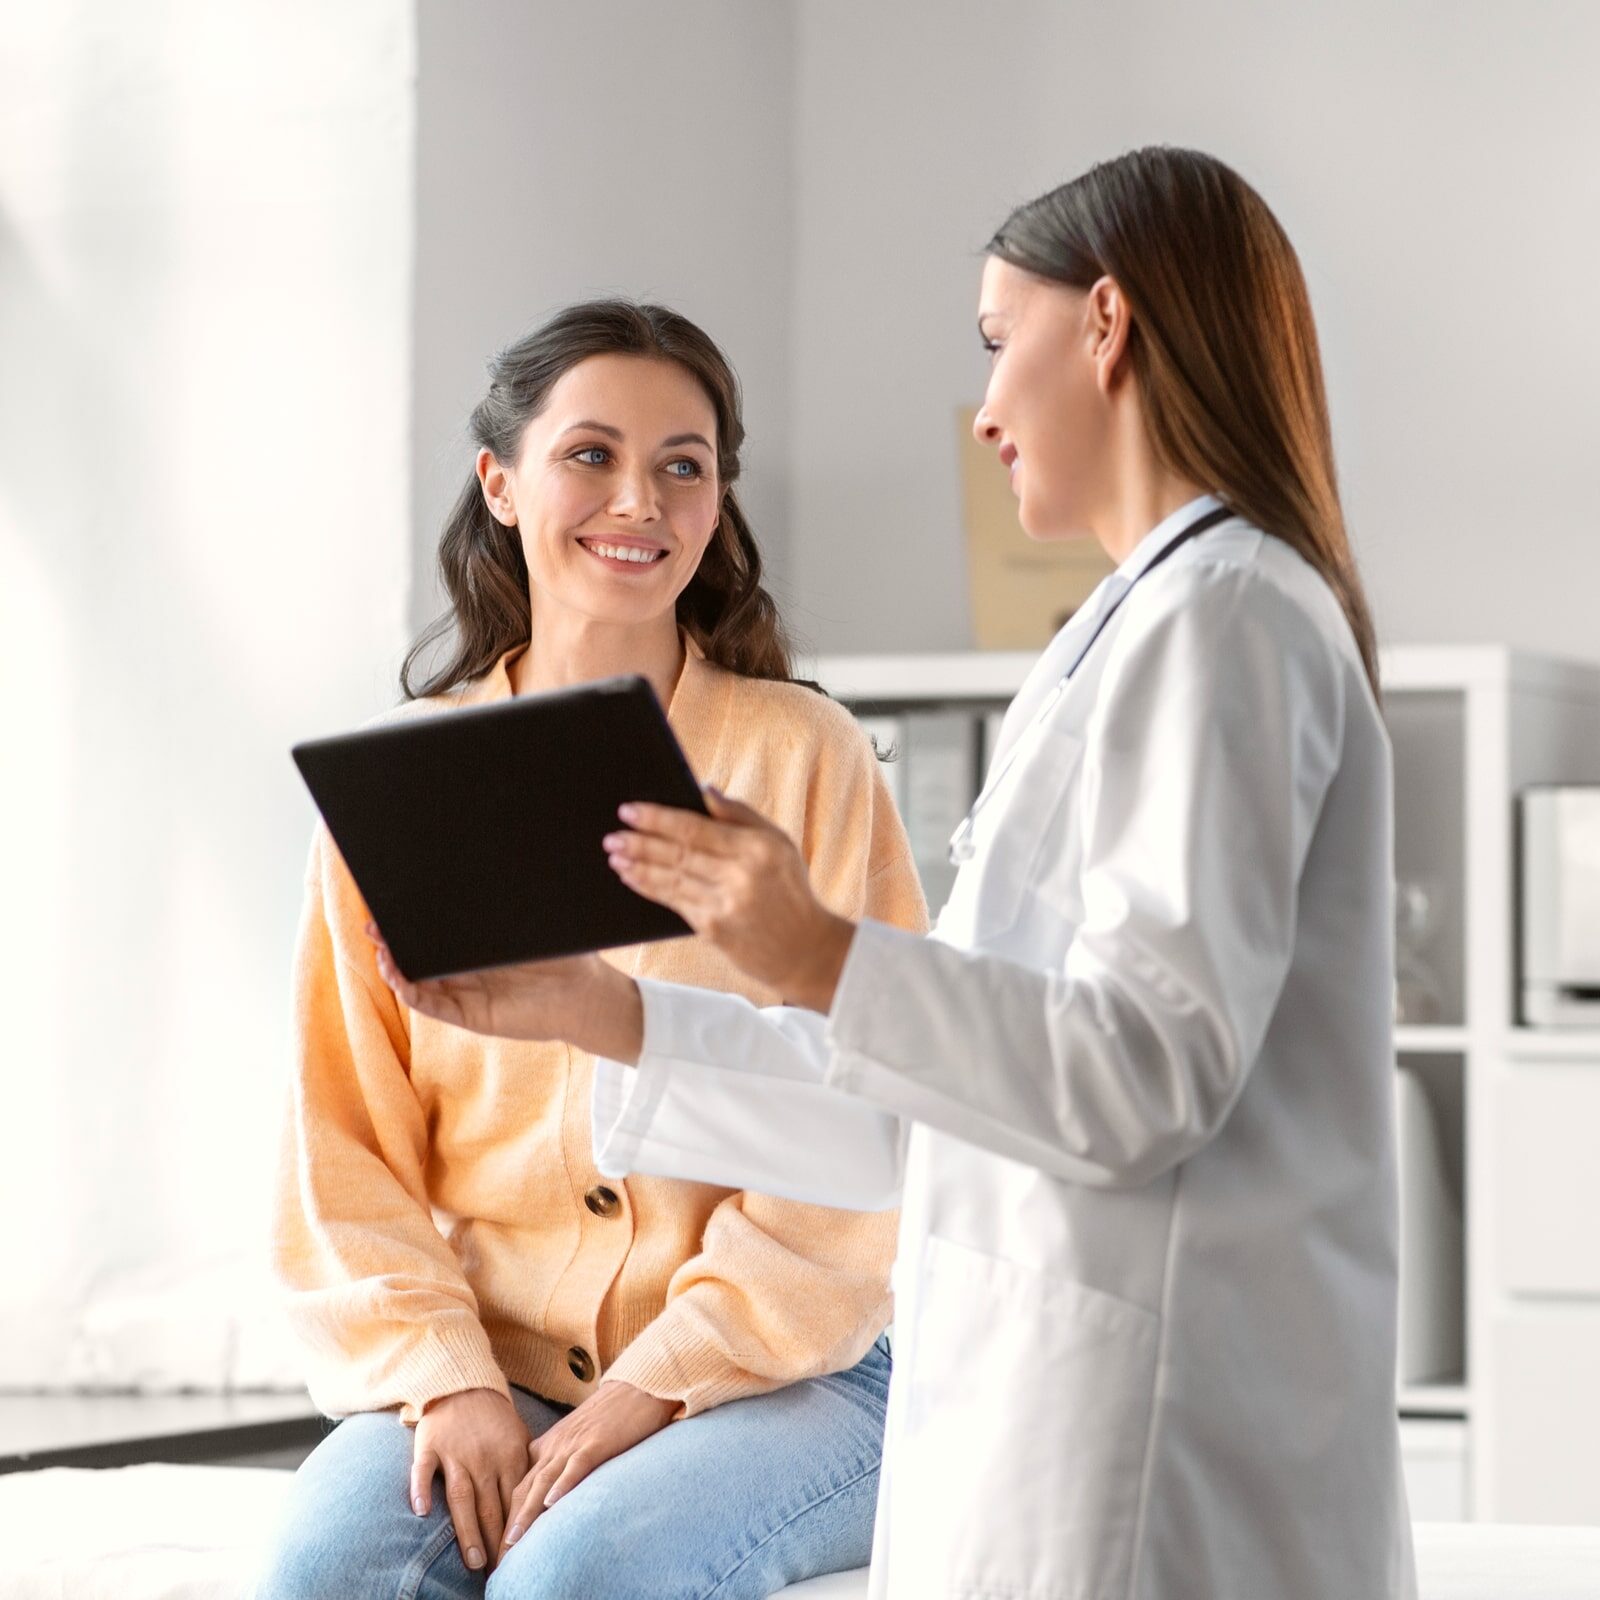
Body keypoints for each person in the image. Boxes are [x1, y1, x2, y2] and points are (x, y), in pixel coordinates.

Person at [376, 148, 1421, 1599]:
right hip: (1048, 1408)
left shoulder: (1228, 618)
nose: (986, 409)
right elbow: (923, 1117)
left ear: (1107, 325)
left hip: (1150, 1451)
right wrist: (611, 1015)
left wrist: (813, 948)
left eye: (1002, 343)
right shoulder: (1136, 628)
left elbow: (1141, 1079)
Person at [257, 300, 927, 1600]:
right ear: (500, 483)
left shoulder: (805, 760)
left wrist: (654, 1386)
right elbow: (338, 1143)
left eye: (685, 463)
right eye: (592, 454)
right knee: (328, 1572)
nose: (642, 497)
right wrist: (448, 1379)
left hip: (796, 1365)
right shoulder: (405, 791)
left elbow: (868, 1130)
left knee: (572, 1582)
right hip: (489, 1352)